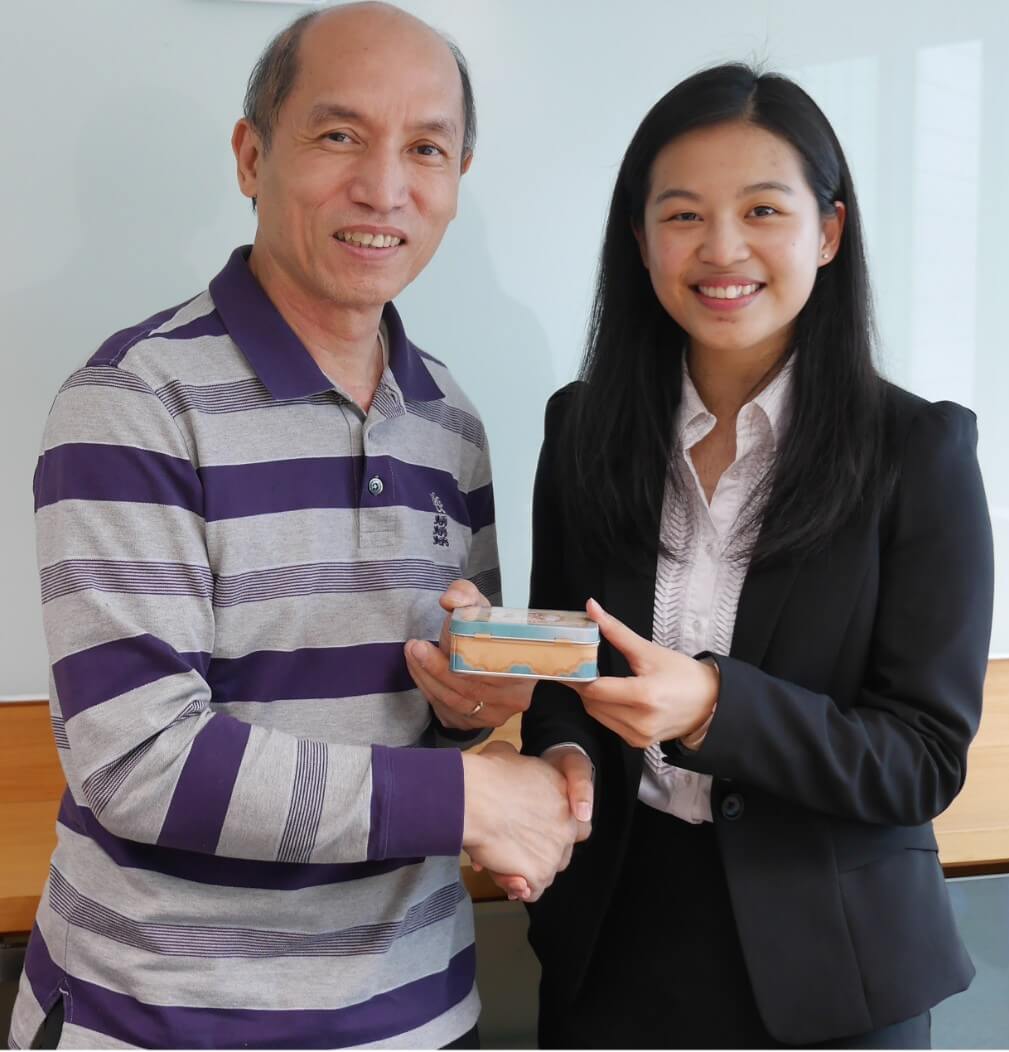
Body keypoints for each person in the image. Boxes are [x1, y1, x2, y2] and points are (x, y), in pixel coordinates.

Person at [9, 5, 581, 1049]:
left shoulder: (448, 418)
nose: (384, 187)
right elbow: (140, 760)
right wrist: (466, 792)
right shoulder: (132, 400)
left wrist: (473, 703)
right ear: (249, 154)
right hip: (161, 1019)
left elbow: (423, 713)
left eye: (426, 149)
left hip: (419, 1010)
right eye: (338, 135)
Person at [514, 63, 994, 1049]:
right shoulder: (581, 429)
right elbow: (566, 663)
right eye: (682, 214)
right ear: (640, 240)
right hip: (615, 939)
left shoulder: (917, 452)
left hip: (835, 966)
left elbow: (921, 758)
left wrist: (712, 707)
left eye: (762, 209)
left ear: (826, 231)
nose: (721, 248)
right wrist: (561, 753)